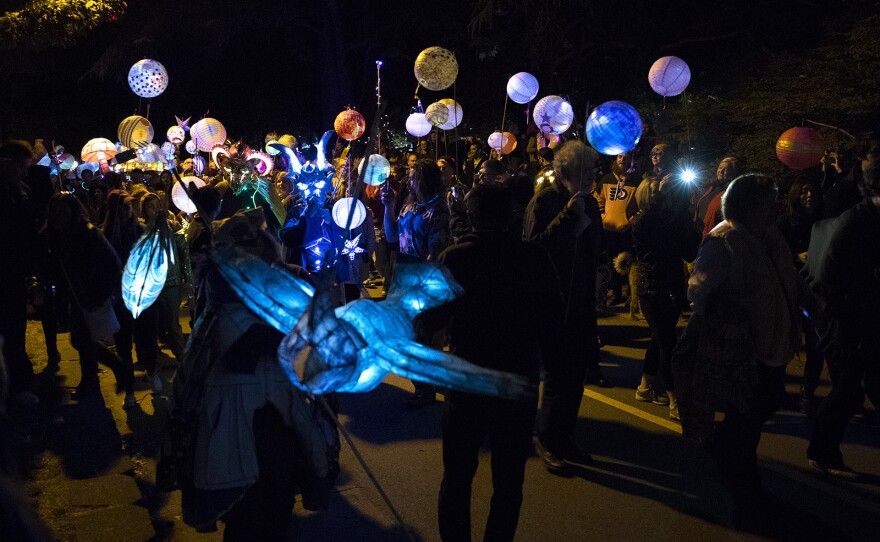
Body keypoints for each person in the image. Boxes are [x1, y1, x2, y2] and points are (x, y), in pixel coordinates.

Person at [169, 209, 338, 541]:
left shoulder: (287, 287)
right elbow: (228, 354)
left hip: (282, 419)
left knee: (279, 510)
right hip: (231, 421)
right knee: (245, 519)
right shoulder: (219, 302)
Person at [433, 183, 563, 541]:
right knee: (509, 481)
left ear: (471, 215)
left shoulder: (455, 258)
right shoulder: (533, 258)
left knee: (458, 477)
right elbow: (553, 320)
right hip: (516, 380)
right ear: (510, 214)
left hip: (467, 380)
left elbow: (429, 318)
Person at [687, 174, 812, 504]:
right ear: (747, 207)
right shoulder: (723, 240)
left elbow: (790, 279)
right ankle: (743, 482)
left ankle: (722, 450)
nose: (775, 209)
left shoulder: (771, 236)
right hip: (744, 350)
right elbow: (698, 290)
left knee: (762, 405)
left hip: (776, 343)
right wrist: (730, 315)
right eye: (767, 203)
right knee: (747, 414)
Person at [523, 141, 607, 473]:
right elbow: (534, 250)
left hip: (581, 300)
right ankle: (547, 438)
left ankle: (565, 436)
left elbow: (593, 249)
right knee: (558, 375)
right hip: (553, 303)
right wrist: (569, 217)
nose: (590, 177)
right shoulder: (544, 201)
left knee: (576, 375)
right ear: (565, 171)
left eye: (593, 171)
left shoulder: (587, 201)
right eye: (584, 171)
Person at [807, 137, 880, 477]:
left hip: (866, 315)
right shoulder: (855, 217)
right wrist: (850, 311)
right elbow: (826, 276)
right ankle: (822, 452)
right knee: (848, 391)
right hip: (849, 320)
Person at [631, 172, 700, 421]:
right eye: (654, 192)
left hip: (672, 285)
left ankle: (645, 386)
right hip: (652, 289)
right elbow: (656, 230)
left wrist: (683, 210)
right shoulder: (643, 222)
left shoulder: (673, 220)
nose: (661, 195)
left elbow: (690, 251)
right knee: (668, 343)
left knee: (660, 338)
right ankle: (675, 401)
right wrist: (666, 195)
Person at [383, 159, 450, 406]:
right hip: (405, 274)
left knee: (426, 335)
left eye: (413, 176)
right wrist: (389, 206)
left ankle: (426, 389)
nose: (408, 181)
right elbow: (392, 236)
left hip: (425, 279)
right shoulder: (410, 206)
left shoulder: (439, 210)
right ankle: (425, 385)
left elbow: (437, 250)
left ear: (425, 179)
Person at [48, 193, 126, 400]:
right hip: (77, 295)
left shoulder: (88, 233)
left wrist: (102, 292)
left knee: (82, 339)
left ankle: (98, 376)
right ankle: (99, 375)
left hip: (91, 294)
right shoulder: (58, 236)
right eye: (54, 212)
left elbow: (113, 263)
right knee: (82, 339)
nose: (58, 216)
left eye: (63, 211)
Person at [775, 177, 825, 411]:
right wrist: (797, 256)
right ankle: (777, 388)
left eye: (812, 192)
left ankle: (808, 391)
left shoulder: (824, 222)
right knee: (785, 339)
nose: (809, 196)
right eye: (804, 193)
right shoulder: (785, 223)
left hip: (815, 289)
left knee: (815, 343)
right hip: (791, 287)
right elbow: (775, 252)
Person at [0, 141, 39, 406]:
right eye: (22, 168)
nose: (24, 174)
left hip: (14, 274)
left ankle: (18, 386)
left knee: (14, 331)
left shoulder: (22, 192)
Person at [595, 152, 641, 304]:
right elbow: (599, 199)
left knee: (628, 262)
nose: (622, 159)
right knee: (611, 262)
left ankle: (630, 295)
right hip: (608, 229)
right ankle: (615, 293)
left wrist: (632, 220)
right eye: (620, 157)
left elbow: (643, 203)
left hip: (627, 230)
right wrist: (603, 216)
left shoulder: (637, 181)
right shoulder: (606, 179)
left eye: (626, 157)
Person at [695, 156, 742, 237]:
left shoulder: (733, 192)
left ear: (733, 173)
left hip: (713, 237)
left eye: (726, 169)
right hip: (698, 233)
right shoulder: (712, 186)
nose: (721, 171)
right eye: (720, 168)